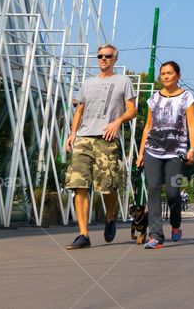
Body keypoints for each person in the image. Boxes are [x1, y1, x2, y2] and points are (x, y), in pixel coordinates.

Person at [64, 44, 137, 250]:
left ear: (115, 59)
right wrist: (72, 133)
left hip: (106, 138)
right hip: (83, 138)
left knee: (107, 186)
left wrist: (117, 122)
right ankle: (83, 235)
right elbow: (80, 111)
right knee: (78, 184)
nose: (103, 59)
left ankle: (110, 216)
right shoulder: (87, 84)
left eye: (107, 56)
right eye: (100, 56)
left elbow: (132, 110)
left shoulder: (123, 81)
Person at [136, 61, 194, 249]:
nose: (165, 76)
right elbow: (148, 126)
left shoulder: (187, 97)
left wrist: (192, 148)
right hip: (152, 150)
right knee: (153, 188)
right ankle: (155, 236)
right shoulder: (154, 99)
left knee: (172, 192)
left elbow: (192, 124)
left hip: (176, 151)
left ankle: (176, 224)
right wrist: (140, 153)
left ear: (178, 75)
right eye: (163, 74)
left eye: (169, 73)